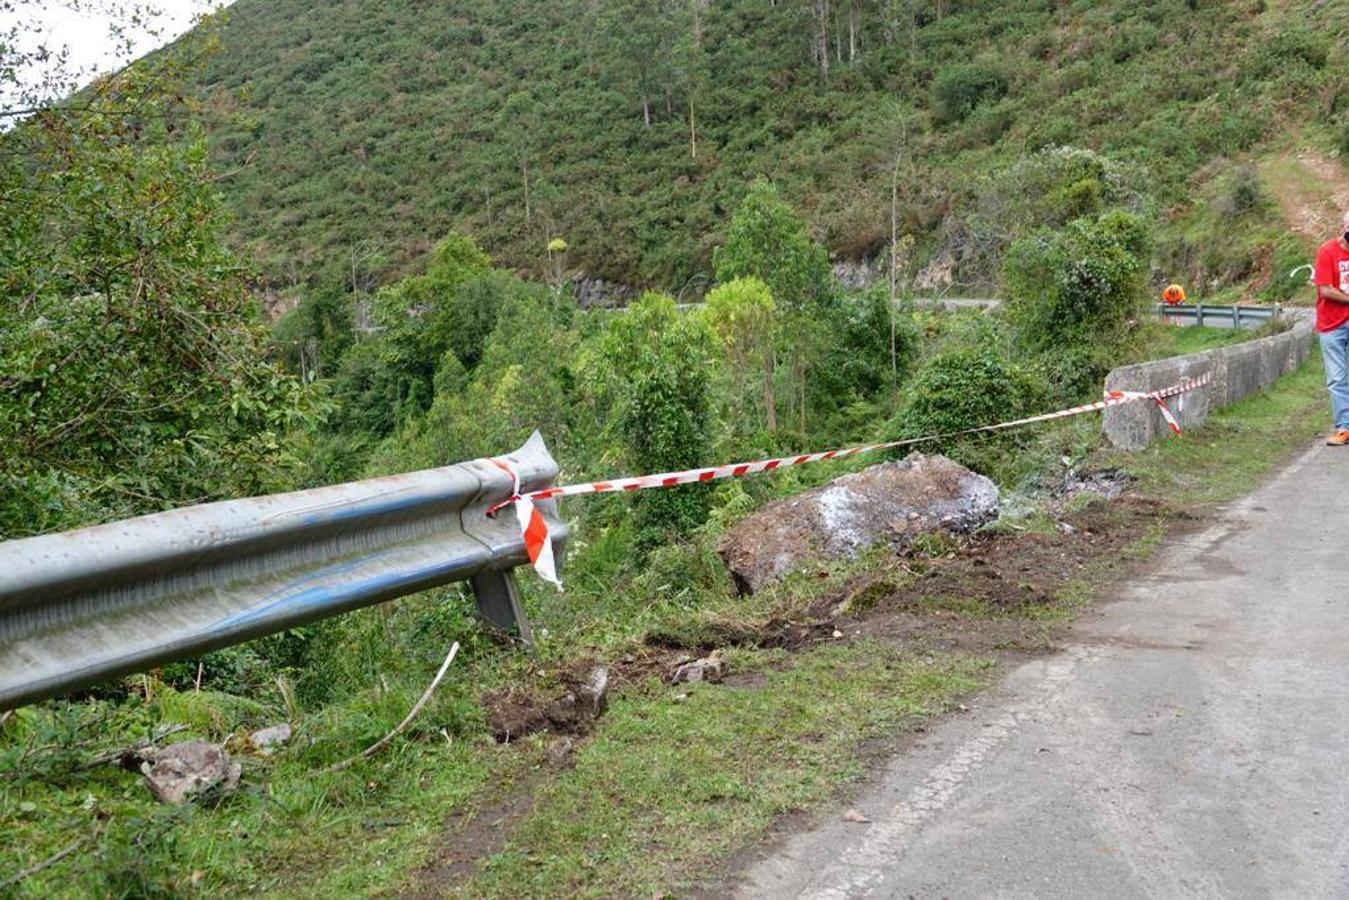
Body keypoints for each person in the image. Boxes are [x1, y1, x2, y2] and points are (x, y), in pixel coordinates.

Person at [1314, 211, 1349, 445]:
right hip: (1331, 324)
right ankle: (1344, 428)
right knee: (1336, 378)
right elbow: (1325, 289)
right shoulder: (1327, 252)